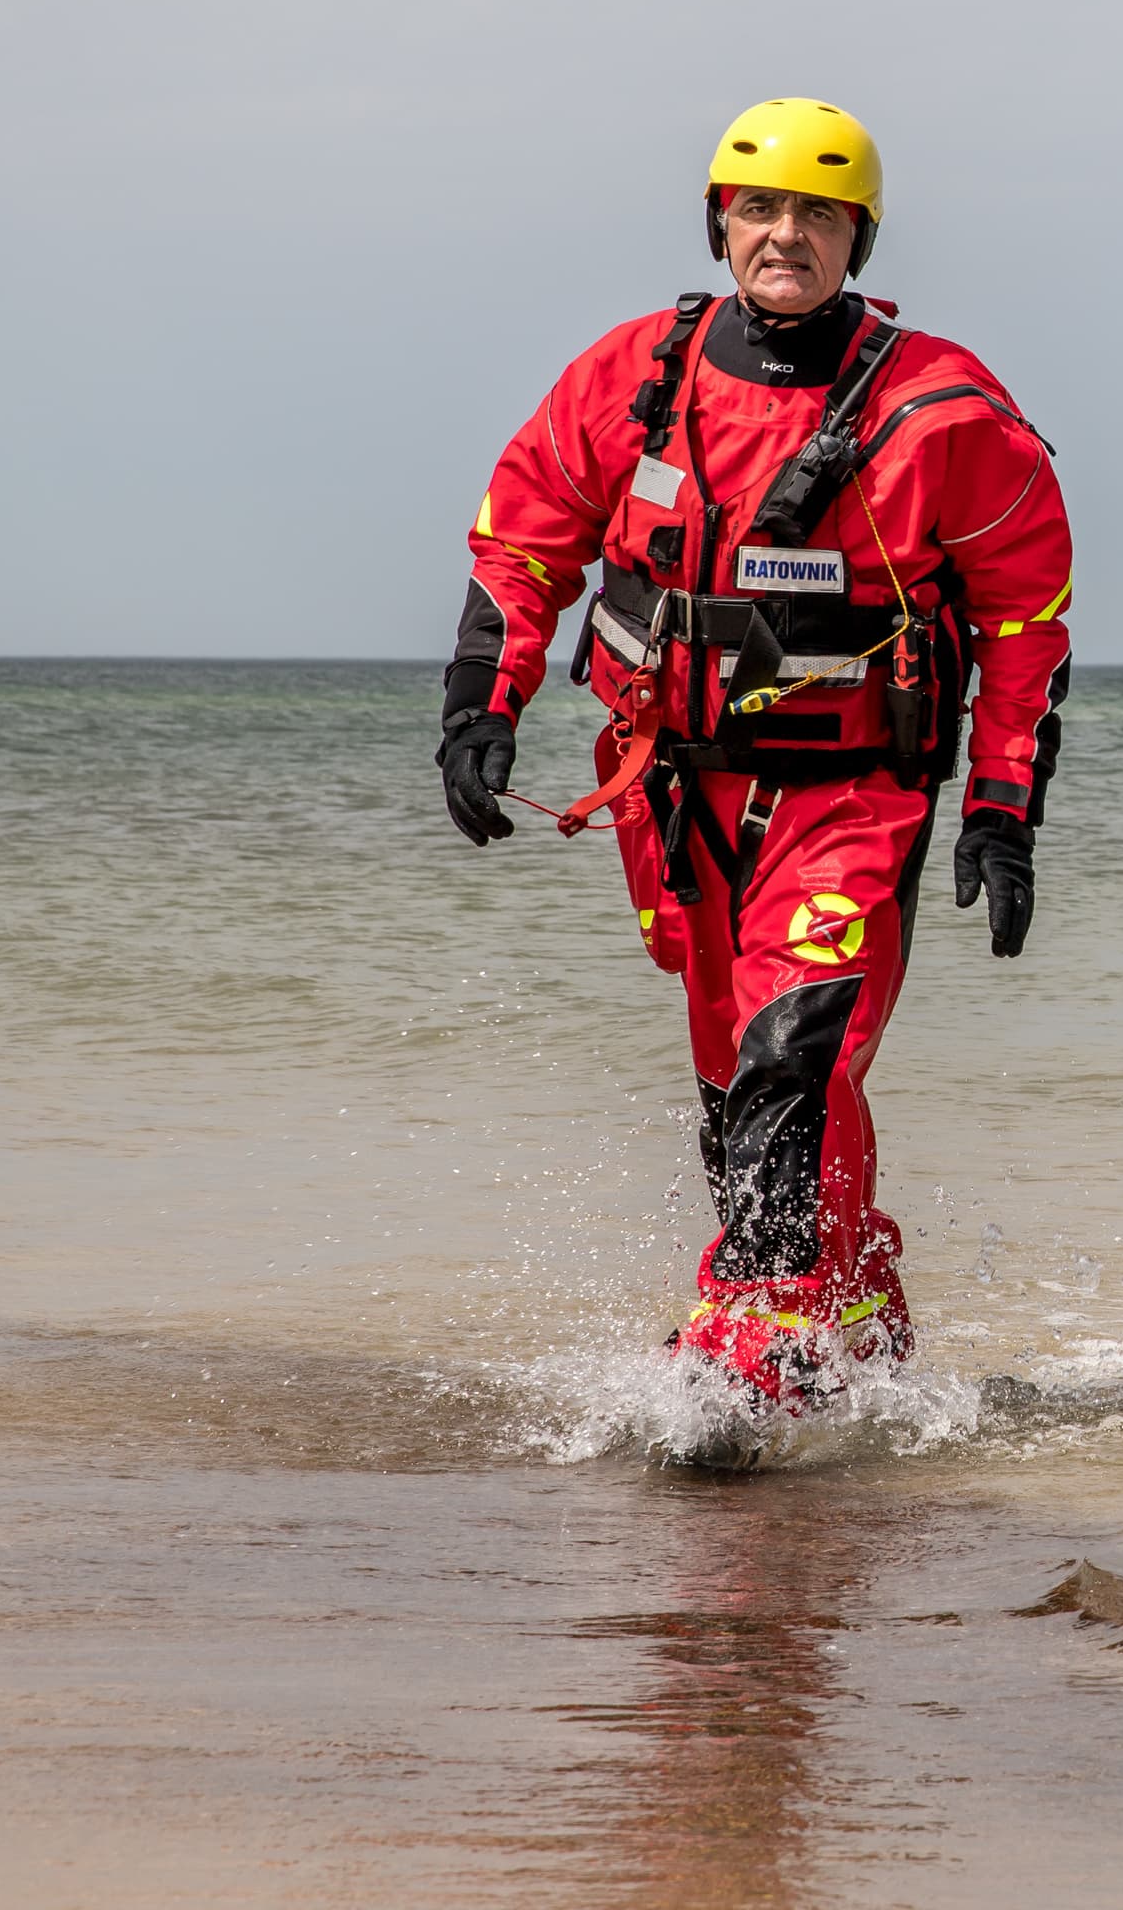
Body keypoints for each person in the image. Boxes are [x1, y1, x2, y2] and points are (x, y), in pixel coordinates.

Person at [433, 97, 1074, 1408]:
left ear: (860, 237)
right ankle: (849, 1296)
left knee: (799, 1040)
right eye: (762, 209)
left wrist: (1001, 808)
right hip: (672, 786)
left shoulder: (943, 410)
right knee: (737, 1066)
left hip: (855, 791)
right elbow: (523, 544)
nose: (786, 236)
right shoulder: (632, 379)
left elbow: (1026, 615)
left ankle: (758, 1340)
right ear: (721, 222)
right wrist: (478, 707)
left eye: (818, 215)